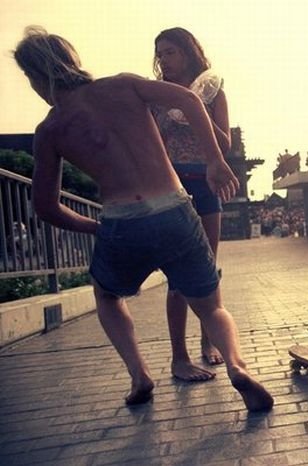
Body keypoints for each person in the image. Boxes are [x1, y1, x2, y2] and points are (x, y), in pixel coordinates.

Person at [14, 27, 273, 411]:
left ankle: (139, 374)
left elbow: (46, 207)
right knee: (212, 305)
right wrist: (215, 161)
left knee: (107, 295)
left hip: (123, 220)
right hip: (174, 208)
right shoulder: (124, 85)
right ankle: (236, 365)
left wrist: (95, 226)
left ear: (37, 77)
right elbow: (188, 99)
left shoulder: (50, 129)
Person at [151, 27, 230, 382]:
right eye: (160, 54)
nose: (164, 60)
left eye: (170, 52)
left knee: (207, 269)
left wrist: (196, 109)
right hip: (171, 185)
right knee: (176, 275)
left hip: (205, 180)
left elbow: (225, 144)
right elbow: (149, 144)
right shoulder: (154, 96)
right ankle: (178, 357)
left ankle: (208, 340)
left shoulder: (212, 92)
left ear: (187, 52)